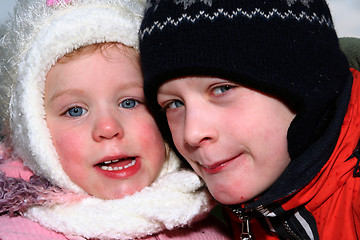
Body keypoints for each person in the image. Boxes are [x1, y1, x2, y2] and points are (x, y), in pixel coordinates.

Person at [0, 0, 231, 239]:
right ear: (35, 136)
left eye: (129, 103)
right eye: (75, 111)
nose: (108, 128)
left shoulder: (214, 228)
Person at [139, 0, 360, 239]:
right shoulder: (209, 213)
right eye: (174, 104)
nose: (191, 133)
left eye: (222, 89)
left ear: (306, 86)